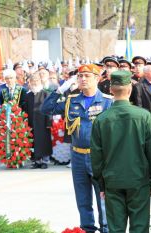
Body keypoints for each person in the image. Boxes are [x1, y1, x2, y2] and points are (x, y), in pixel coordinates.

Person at [41, 64, 112, 233]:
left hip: (99, 157)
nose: (83, 79)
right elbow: (46, 109)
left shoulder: (108, 101)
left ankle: (106, 229)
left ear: (97, 78)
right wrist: (60, 90)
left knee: (103, 198)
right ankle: (87, 229)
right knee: (82, 198)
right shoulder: (72, 101)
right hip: (78, 156)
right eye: (80, 76)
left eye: (87, 76)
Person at [90, 70, 151, 233]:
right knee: (140, 227)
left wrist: (101, 184)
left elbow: (96, 157)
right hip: (139, 180)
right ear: (130, 89)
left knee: (115, 228)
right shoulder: (144, 116)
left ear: (110, 90)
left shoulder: (101, 119)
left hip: (112, 181)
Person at [26, 74, 52, 169]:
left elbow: (49, 110)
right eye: (33, 81)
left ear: (40, 82)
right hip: (31, 123)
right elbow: (25, 109)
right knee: (34, 142)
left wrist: (49, 122)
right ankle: (36, 161)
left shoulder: (45, 94)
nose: (35, 83)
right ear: (30, 83)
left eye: (37, 81)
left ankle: (45, 161)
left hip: (43, 123)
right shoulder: (28, 95)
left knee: (44, 142)